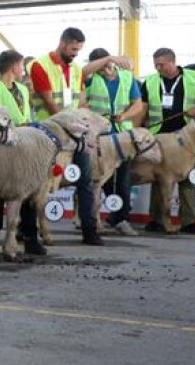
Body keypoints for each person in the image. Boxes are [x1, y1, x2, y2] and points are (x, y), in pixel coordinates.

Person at [28, 27, 131, 249]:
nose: (75, 54)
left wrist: (84, 126)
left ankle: (90, 230)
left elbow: (81, 102)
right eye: (74, 49)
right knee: (37, 184)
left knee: (86, 182)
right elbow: (49, 104)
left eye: (79, 50)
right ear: (64, 43)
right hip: (48, 135)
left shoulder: (76, 70)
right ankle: (28, 233)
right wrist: (72, 127)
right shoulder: (39, 65)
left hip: (75, 136)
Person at [139, 48, 195, 234]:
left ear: (172, 61)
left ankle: (189, 221)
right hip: (159, 137)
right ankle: (157, 220)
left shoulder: (193, 77)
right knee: (158, 178)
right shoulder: (150, 81)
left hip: (187, 138)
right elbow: (142, 109)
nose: (158, 68)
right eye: (156, 65)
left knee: (188, 177)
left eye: (162, 64)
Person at [84, 47, 145, 236]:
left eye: (107, 64)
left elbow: (137, 104)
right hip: (98, 135)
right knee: (101, 180)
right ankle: (98, 218)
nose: (104, 68)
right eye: (100, 65)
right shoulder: (90, 78)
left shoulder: (127, 78)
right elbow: (84, 71)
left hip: (121, 136)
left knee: (123, 179)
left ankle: (122, 219)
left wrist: (125, 115)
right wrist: (108, 58)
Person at [0, 49, 35, 254]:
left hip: (24, 143)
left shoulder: (22, 89)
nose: (23, 70)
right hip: (2, 146)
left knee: (25, 190)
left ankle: (30, 236)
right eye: (21, 66)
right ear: (14, 66)